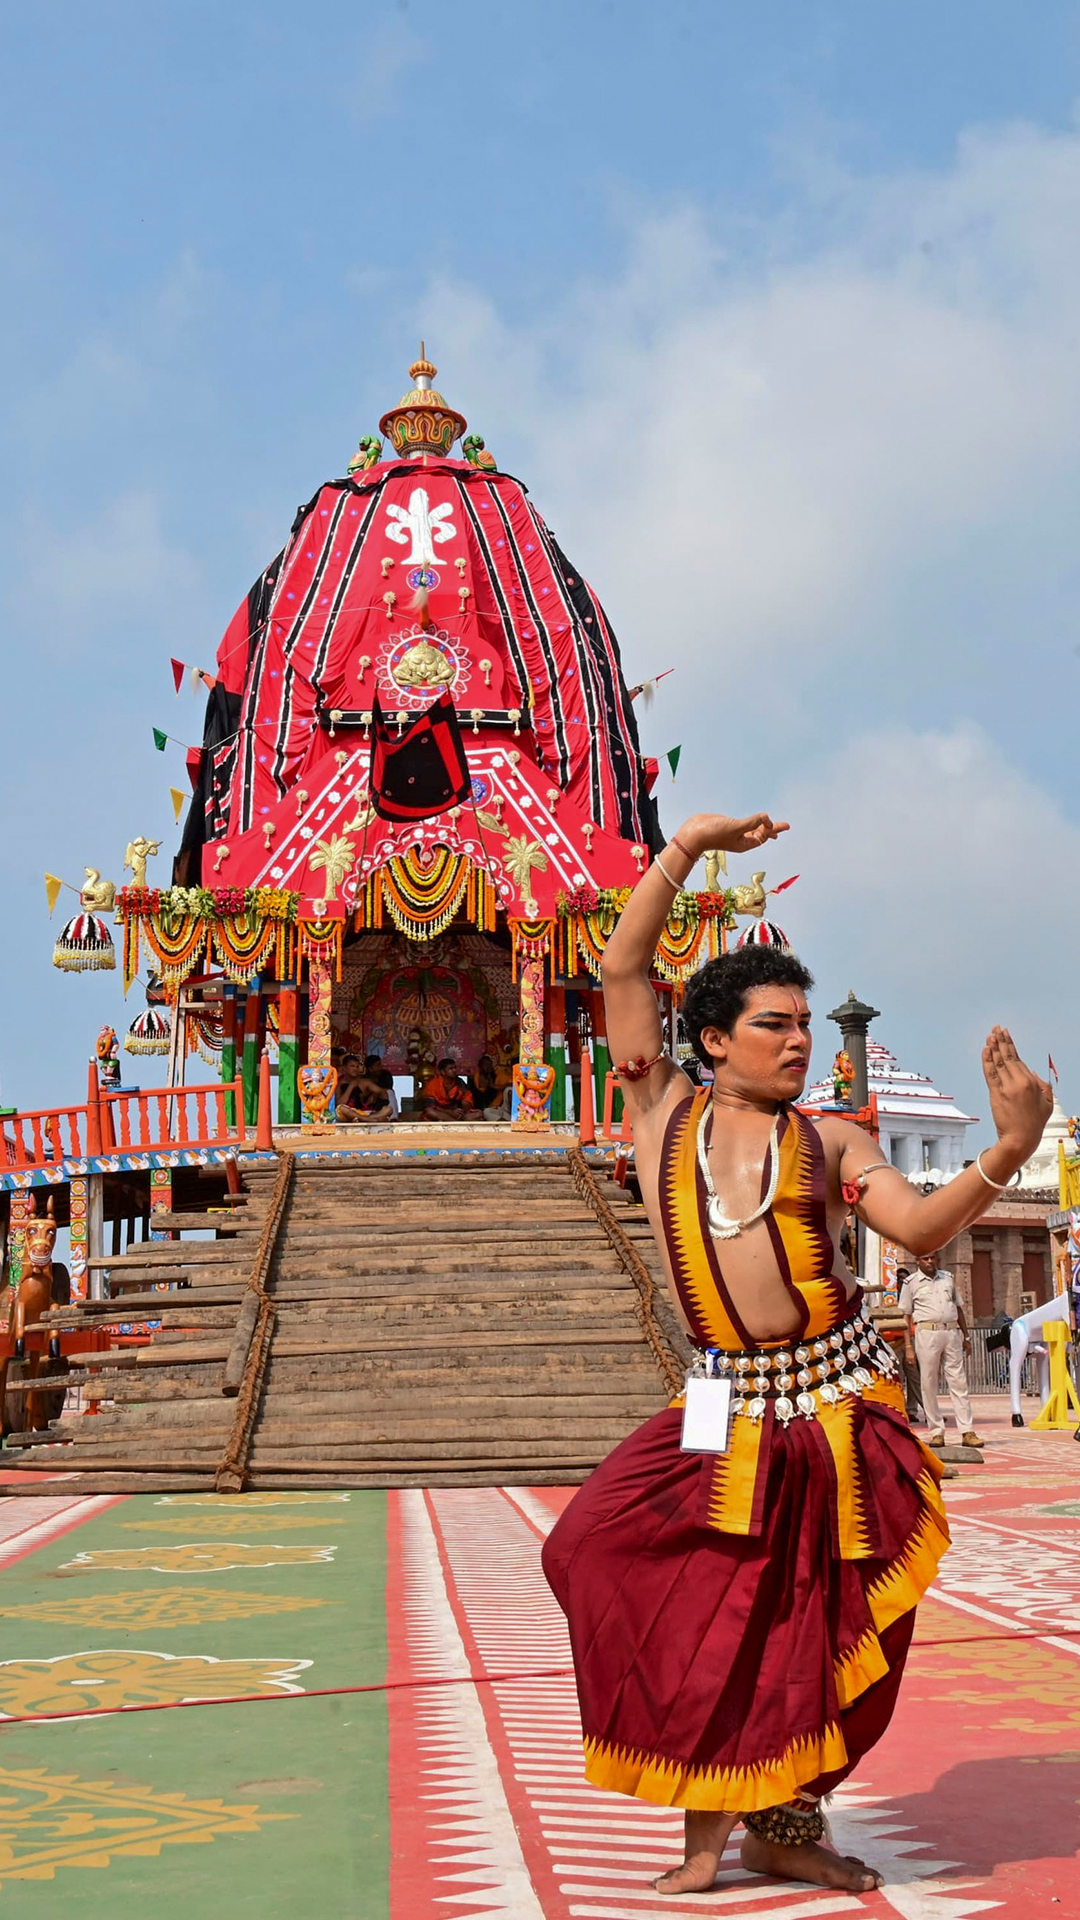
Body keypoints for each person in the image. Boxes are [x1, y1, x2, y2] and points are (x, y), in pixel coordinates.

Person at [542, 809, 1051, 1899]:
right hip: (719, 1404)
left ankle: (777, 1824)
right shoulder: (657, 1110)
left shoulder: (832, 1141)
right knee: (593, 1550)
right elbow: (624, 961)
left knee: (806, 1625)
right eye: (775, 1023)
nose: (799, 1040)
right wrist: (684, 851)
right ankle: (707, 1818)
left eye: (808, 1025)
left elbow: (916, 1230)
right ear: (714, 1038)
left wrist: (1007, 1151)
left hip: (834, 1406)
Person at [899, 1254, 982, 1448]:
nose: (930, 1262)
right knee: (928, 1383)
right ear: (918, 1261)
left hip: (951, 1331)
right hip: (927, 1333)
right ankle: (936, 1431)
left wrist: (966, 1336)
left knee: (959, 1381)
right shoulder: (911, 1283)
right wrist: (908, 1346)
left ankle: (967, 1431)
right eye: (925, 1258)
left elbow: (958, 1308)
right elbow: (906, 1315)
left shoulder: (947, 1278)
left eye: (933, 1258)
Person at [888, 1267, 926, 1422]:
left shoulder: (914, 1296)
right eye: (899, 1280)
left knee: (915, 1377)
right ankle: (901, 1409)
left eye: (904, 1280)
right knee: (899, 1377)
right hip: (893, 1340)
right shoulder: (888, 1297)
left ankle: (916, 1409)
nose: (901, 1283)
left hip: (910, 1338)